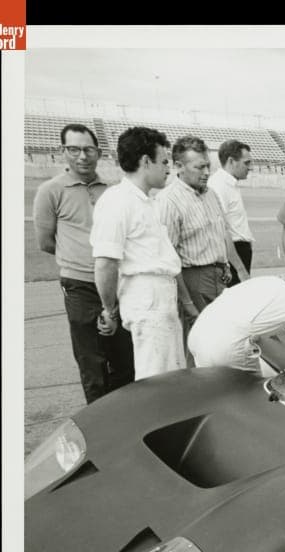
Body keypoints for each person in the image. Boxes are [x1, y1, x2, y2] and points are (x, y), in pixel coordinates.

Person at [32, 122, 134, 403]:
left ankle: (124, 415)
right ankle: (98, 420)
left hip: (115, 283)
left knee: (125, 358)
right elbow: (45, 242)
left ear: (98, 152)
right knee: (92, 362)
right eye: (74, 149)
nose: (82, 156)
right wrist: (80, 261)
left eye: (88, 149)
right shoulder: (51, 190)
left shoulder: (111, 191)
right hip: (80, 286)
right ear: (62, 151)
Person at [90, 126, 187, 380]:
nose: (168, 168)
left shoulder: (146, 201)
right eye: (163, 161)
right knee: (155, 379)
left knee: (172, 376)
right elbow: (105, 263)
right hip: (147, 301)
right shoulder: (117, 201)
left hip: (161, 298)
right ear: (145, 162)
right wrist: (108, 309)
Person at [156, 135, 249, 344]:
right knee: (199, 344)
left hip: (220, 278)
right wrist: (188, 303)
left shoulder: (211, 194)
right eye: (199, 167)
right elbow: (168, 259)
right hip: (193, 281)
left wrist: (240, 271)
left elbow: (223, 234)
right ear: (179, 166)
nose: (207, 172)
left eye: (208, 166)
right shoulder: (168, 201)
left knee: (222, 342)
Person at [208, 139, 255, 280]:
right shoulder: (219, 186)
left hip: (239, 252)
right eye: (246, 163)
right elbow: (221, 232)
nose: (251, 167)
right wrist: (240, 269)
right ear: (231, 161)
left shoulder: (230, 184)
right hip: (232, 256)